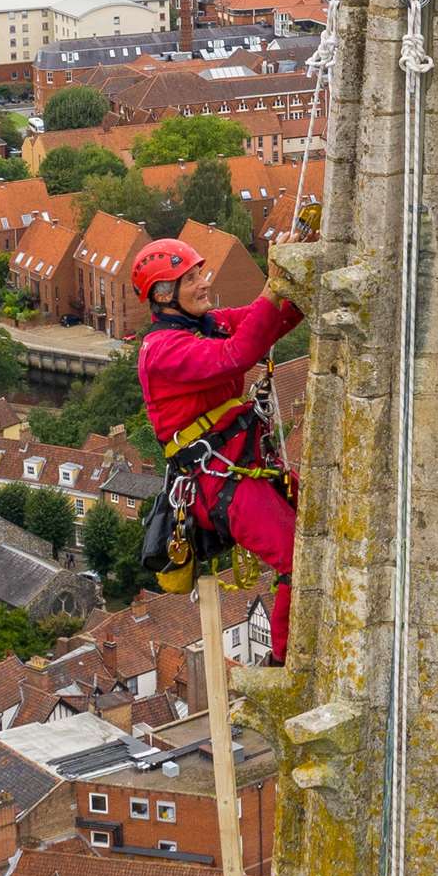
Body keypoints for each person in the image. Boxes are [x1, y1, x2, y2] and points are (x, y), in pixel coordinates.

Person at [135, 235, 304, 665]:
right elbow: (239, 354)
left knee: (319, 524)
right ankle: (287, 664)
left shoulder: (206, 324)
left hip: (246, 466)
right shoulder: (163, 350)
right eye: (190, 279)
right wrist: (273, 283)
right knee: (294, 557)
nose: (203, 283)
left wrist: (301, 271)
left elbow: (274, 321)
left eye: (199, 274)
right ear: (162, 295)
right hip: (217, 483)